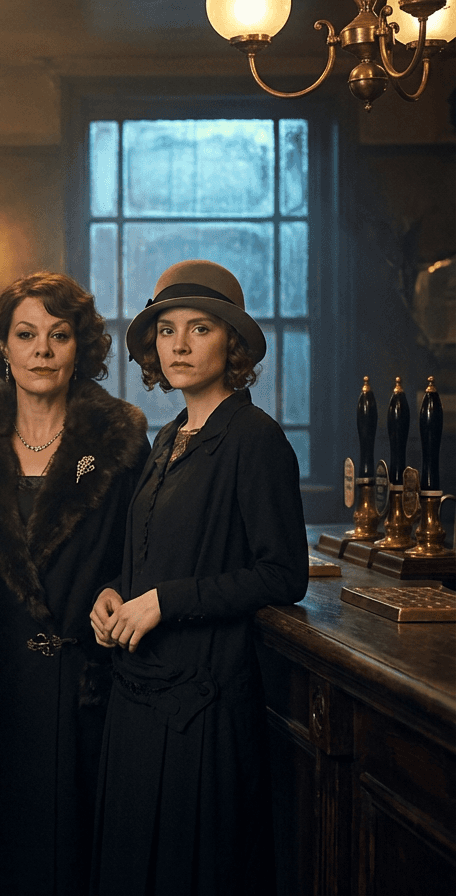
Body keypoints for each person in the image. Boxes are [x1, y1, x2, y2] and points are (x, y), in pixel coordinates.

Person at [89, 259, 309, 896]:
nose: (179, 345)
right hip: (138, 696)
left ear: (231, 343)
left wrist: (164, 602)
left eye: (201, 328)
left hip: (203, 708)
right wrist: (115, 594)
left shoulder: (256, 439)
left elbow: (282, 574)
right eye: (167, 330)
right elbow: (153, 555)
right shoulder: (168, 438)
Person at [0, 272, 148, 894]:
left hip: (86, 689)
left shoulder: (120, 434)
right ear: (3, 348)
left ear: (80, 348)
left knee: (74, 864)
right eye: (26, 334)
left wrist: (117, 589)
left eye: (58, 336)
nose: (41, 350)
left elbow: (141, 552)